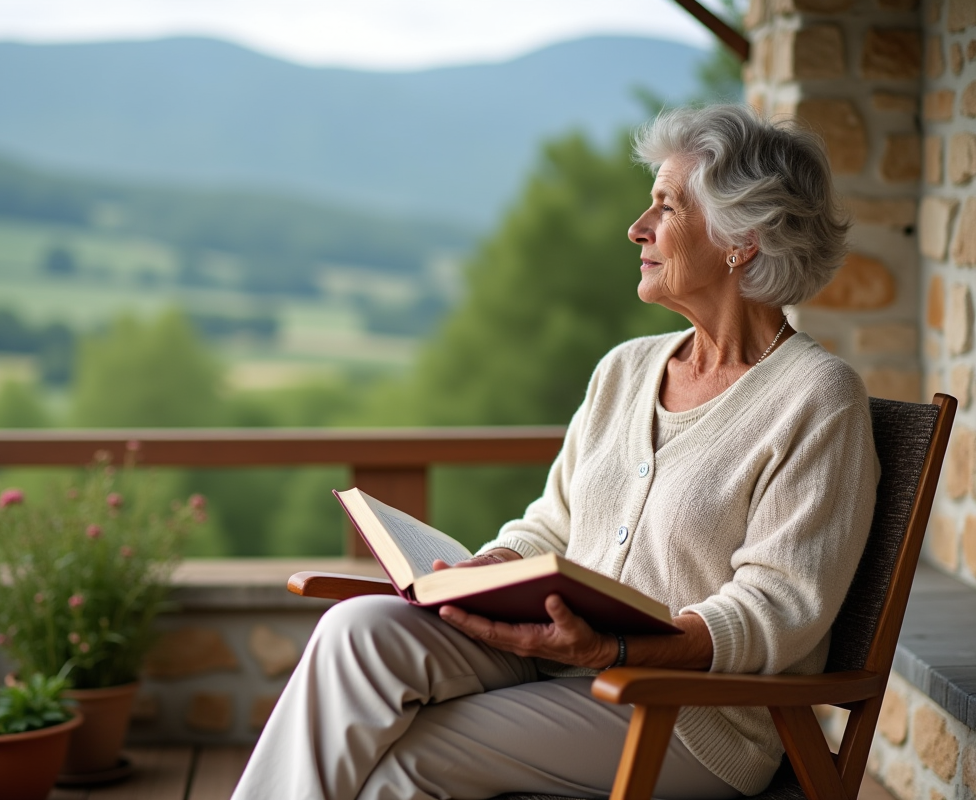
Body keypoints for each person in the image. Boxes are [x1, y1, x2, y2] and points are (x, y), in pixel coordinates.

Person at [231, 104, 879, 800]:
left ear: (740, 239)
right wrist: (490, 568)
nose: (638, 228)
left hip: (688, 715)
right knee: (355, 631)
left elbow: (779, 606)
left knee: (413, 757)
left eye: (666, 205)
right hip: (551, 661)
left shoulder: (817, 397)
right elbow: (551, 525)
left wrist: (617, 651)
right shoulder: (627, 370)